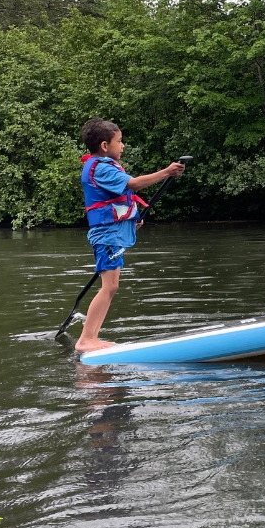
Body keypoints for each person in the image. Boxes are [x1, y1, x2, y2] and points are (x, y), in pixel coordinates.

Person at [76, 117, 185, 352]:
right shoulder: (102, 167)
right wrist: (167, 172)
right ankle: (86, 340)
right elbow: (133, 184)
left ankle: (89, 337)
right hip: (106, 237)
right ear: (105, 146)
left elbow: (116, 201)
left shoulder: (103, 165)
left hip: (112, 234)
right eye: (119, 141)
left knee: (112, 286)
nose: (123, 145)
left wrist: (131, 219)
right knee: (109, 286)